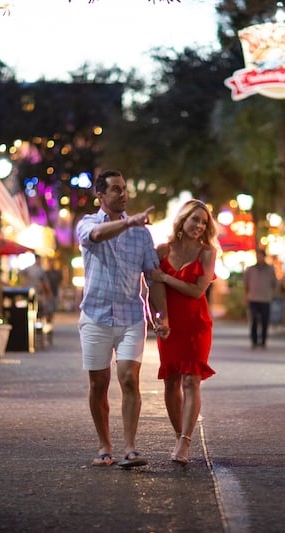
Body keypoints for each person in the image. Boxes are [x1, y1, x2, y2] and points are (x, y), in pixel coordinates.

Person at [76, 169, 169, 469]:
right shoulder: (87, 223)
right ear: (100, 195)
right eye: (116, 189)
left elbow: (153, 277)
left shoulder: (142, 234)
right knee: (98, 384)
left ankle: (130, 447)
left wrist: (161, 314)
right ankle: (105, 446)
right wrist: (128, 222)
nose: (123, 194)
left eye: (124, 188)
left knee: (129, 378)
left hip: (131, 316)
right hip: (95, 316)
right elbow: (96, 236)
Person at [150, 199, 218, 465]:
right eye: (195, 220)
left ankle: (186, 442)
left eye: (204, 222)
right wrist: (162, 318)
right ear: (183, 220)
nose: (199, 226)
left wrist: (166, 277)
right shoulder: (161, 250)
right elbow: (154, 288)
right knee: (171, 381)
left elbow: (197, 290)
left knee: (192, 380)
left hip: (196, 322)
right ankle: (179, 435)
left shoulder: (207, 253)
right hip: (171, 323)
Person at [243, 248, 279, 349]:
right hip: (253, 298)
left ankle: (263, 340)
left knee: (264, 321)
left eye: (261, 256)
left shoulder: (270, 269)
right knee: (253, 319)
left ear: (264, 256)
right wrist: (245, 296)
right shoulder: (250, 269)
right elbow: (246, 284)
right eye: (257, 256)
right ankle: (254, 340)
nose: (259, 258)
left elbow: (274, 283)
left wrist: (272, 294)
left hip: (265, 299)